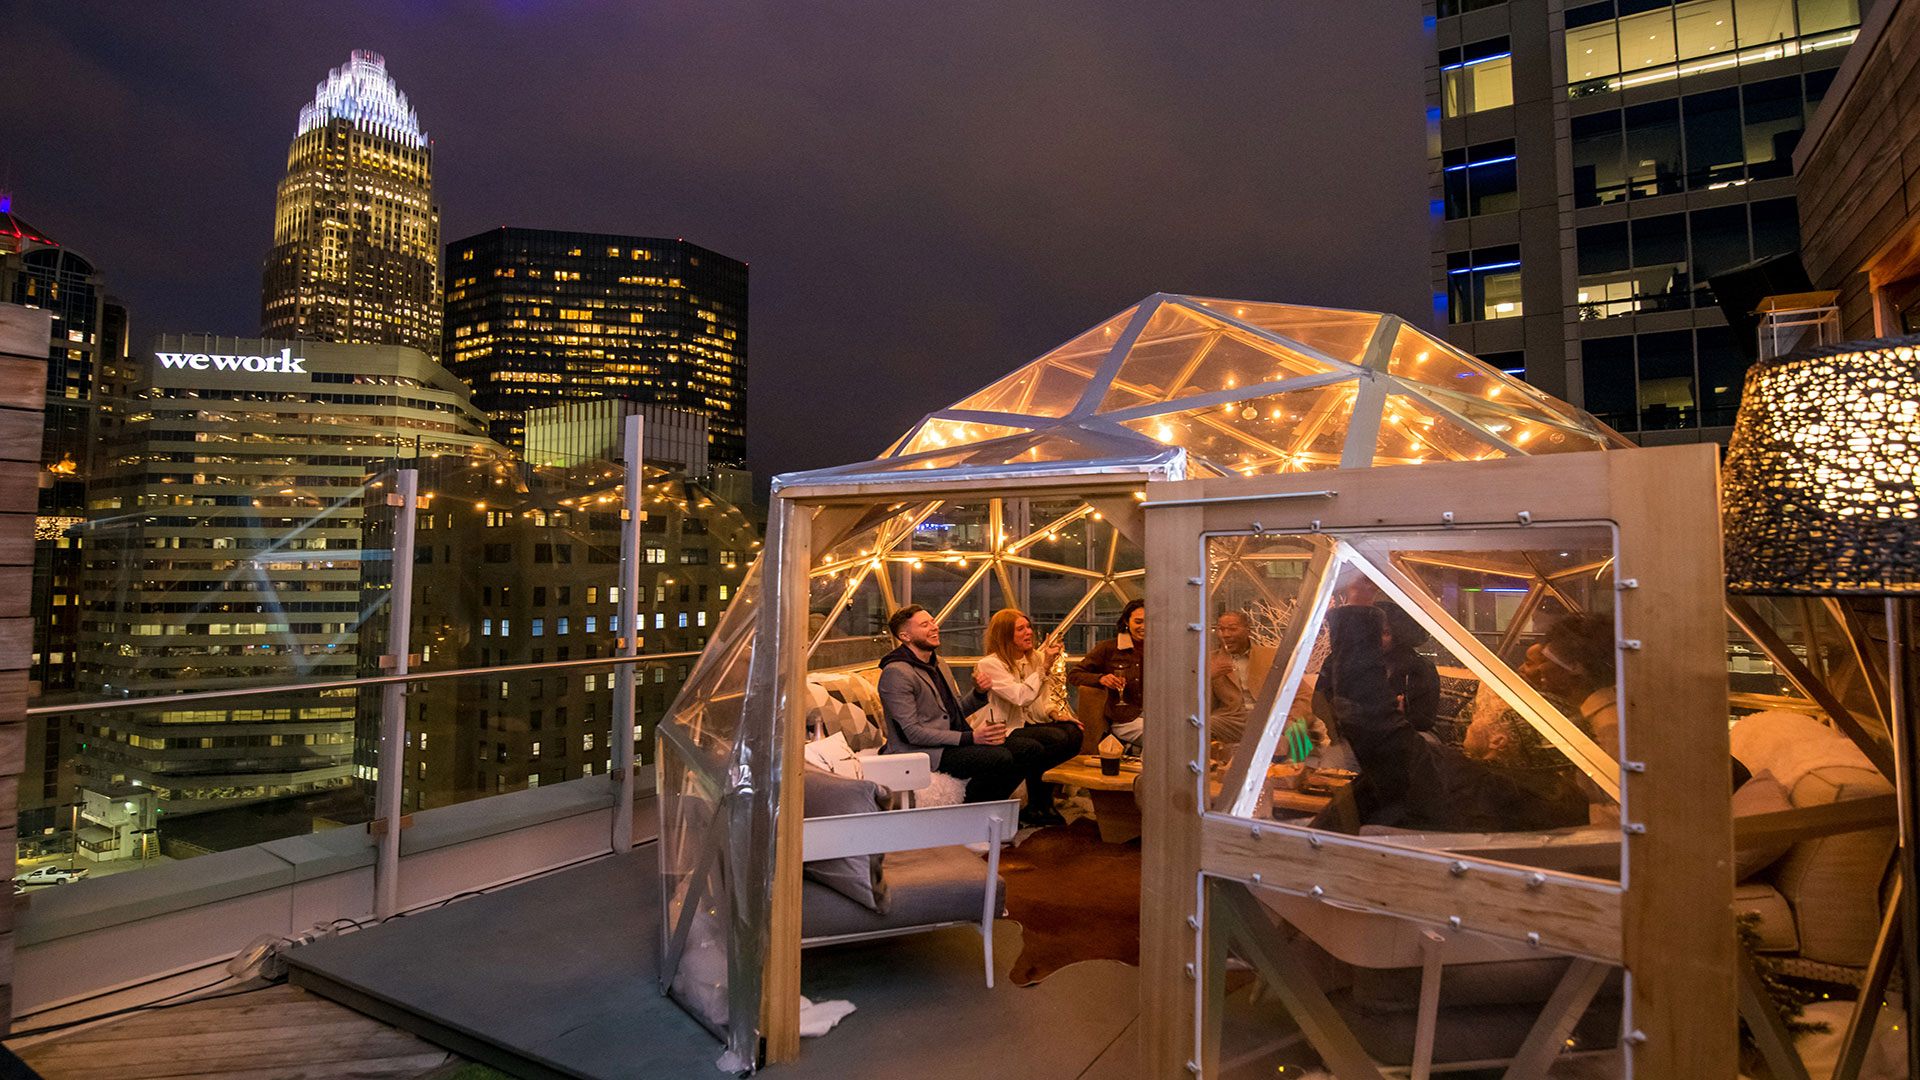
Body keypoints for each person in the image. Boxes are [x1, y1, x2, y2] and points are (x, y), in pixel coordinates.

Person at [877, 604, 1041, 805]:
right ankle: (972, 812)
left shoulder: (939, 664)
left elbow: (954, 712)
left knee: (1030, 749)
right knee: (1000, 757)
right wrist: (970, 737)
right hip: (920, 752)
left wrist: (979, 693)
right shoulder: (896, 673)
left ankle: (987, 808)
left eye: (933, 621)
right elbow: (912, 733)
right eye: (924, 624)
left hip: (948, 743)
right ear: (905, 636)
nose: (934, 627)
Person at [974, 608, 1083, 827]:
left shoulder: (1034, 659)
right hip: (1003, 728)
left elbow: (1042, 699)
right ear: (1005, 635)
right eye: (1020, 629)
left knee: (1073, 733)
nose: (1029, 632)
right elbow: (1020, 697)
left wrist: (1054, 713)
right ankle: (1038, 802)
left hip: (1029, 724)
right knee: (1054, 739)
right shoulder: (990, 664)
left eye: (1029, 627)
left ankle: (1040, 801)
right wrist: (1044, 667)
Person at [1069, 600, 1146, 750]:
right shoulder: (1109, 648)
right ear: (1126, 622)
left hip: (1158, 715)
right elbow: (1074, 674)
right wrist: (1101, 679)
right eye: (1138, 622)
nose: (1144, 627)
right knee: (1161, 737)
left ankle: (1134, 750)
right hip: (1126, 719)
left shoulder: (1162, 648)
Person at [1207, 610, 1278, 751]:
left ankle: (1304, 769)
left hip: (1268, 717)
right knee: (1206, 724)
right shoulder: (1208, 661)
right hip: (1232, 720)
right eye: (1221, 629)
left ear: (1248, 630)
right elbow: (1193, 706)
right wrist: (1207, 678)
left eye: (1232, 629)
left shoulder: (1271, 656)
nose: (1226, 634)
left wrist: (1293, 718)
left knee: (1298, 727)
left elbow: (1301, 694)